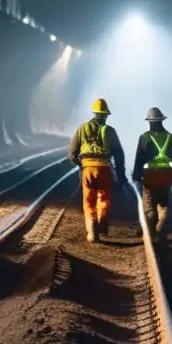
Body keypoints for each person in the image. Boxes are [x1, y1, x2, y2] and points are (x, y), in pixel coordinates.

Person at [68, 98, 126, 243]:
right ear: (106, 115)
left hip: (87, 168)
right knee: (104, 199)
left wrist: (80, 164)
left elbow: (72, 154)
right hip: (104, 168)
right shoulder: (110, 131)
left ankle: (92, 233)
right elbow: (119, 154)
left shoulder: (82, 128)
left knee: (88, 200)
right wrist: (120, 174)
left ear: (94, 113)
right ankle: (101, 223)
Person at [131, 107, 172, 242]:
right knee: (163, 204)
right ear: (161, 121)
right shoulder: (171, 138)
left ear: (150, 122)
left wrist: (136, 175)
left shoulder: (144, 138)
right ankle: (159, 228)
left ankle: (151, 234)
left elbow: (139, 159)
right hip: (166, 177)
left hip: (150, 177)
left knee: (149, 206)